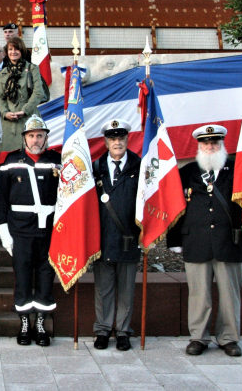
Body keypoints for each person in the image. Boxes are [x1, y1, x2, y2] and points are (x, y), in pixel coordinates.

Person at [167, 125, 242, 358]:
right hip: (196, 241)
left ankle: (229, 338)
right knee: (199, 294)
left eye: (215, 143)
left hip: (229, 241)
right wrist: (174, 239)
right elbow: (175, 207)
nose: (210, 147)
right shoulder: (187, 172)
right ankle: (198, 337)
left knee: (230, 294)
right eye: (206, 143)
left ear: (222, 145)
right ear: (199, 146)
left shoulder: (237, 170)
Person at [0, 115, 61, 346]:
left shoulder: (57, 161)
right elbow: (1, 201)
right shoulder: (10, 161)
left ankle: (40, 324)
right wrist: (5, 236)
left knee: (45, 277)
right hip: (20, 233)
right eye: (31, 135)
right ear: (24, 138)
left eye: (39, 135)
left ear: (46, 138)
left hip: (49, 232)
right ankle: (24, 323)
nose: (35, 140)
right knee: (22, 278)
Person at [91, 119, 141, 351]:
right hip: (102, 237)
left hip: (129, 238)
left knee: (126, 290)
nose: (117, 142)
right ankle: (102, 330)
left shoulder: (140, 167)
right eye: (112, 139)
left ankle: (122, 332)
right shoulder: (95, 168)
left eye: (121, 138)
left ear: (127, 140)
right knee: (103, 288)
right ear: (106, 142)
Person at [0, 37, 47, 153]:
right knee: (8, 156)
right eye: (10, 49)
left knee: (33, 152)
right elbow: (0, 97)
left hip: (29, 117)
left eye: (16, 49)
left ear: (22, 51)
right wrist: (5, 113)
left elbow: (38, 93)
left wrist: (25, 110)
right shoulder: (3, 73)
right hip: (8, 122)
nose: (13, 52)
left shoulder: (32, 69)